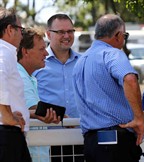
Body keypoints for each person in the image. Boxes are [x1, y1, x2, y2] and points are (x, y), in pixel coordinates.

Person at [72, 14, 144, 162]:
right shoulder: (112, 54)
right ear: (118, 35)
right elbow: (130, 79)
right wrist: (138, 117)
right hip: (115, 141)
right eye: (125, 35)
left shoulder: (80, 61)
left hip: (91, 142)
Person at [33, 14, 84, 162]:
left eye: (70, 31)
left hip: (80, 138)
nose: (67, 36)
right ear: (48, 34)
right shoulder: (37, 62)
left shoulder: (84, 62)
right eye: (61, 32)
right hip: (47, 141)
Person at [17, 27, 61, 162]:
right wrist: (61, 115)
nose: (46, 53)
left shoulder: (28, 77)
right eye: (41, 49)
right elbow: (34, 109)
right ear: (25, 52)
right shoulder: (20, 76)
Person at [0, 7, 31, 162]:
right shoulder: (3, 53)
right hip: (6, 135)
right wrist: (8, 116)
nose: (22, 34)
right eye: (21, 29)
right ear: (10, 30)